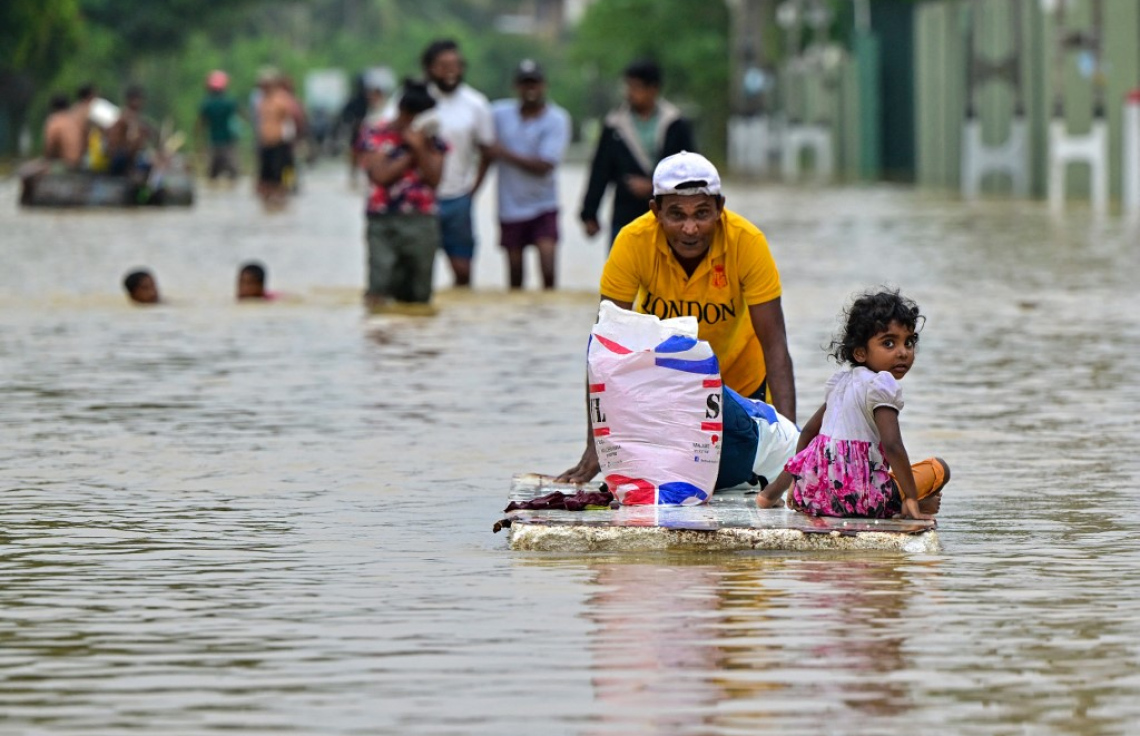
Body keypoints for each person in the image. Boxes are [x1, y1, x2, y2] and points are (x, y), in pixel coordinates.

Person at [558, 151, 795, 484]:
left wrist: (790, 449)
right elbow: (604, 350)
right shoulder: (631, 242)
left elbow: (775, 345)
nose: (690, 228)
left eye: (702, 213)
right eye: (676, 215)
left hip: (740, 390)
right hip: (665, 388)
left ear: (720, 208)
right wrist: (598, 446)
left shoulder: (747, 241)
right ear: (655, 211)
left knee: (727, 472)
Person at [759, 289, 949, 520]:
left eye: (908, 343)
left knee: (830, 456)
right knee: (939, 469)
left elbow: (808, 431)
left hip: (815, 496)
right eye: (889, 343)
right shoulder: (881, 385)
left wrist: (799, 480)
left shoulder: (840, 382)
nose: (903, 353)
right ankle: (909, 503)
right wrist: (910, 496)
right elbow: (892, 445)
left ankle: (768, 496)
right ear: (860, 353)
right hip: (861, 500)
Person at [580, 59, 695, 246]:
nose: (630, 93)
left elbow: (690, 169)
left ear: (653, 89)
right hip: (625, 214)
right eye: (628, 86)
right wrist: (590, 213)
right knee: (622, 262)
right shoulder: (615, 125)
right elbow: (600, 170)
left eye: (636, 87)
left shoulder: (675, 124)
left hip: (670, 216)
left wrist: (653, 185)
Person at [358, 79, 446, 309]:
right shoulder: (376, 133)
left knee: (419, 293)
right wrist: (410, 151)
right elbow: (380, 176)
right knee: (379, 286)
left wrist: (420, 147)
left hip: (422, 219)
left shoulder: (433, 139)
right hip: (382, 219)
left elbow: (434, 179)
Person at [420, 39, 495, 287]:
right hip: (421, 198)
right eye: (443, 66)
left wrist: (473, 190)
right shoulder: (415, 99)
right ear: (430, 68)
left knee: (463, 272)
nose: (451, 72)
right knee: (418, 271)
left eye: (456, 65)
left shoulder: (476, 104)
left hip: (458, 198)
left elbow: (487, 150)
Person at [490, 60, 571, 290]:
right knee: (515, 277)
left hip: (544, 205)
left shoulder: (557, 119)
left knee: (548, 272)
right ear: (516, 87)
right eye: (525, 83)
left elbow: (545, 164)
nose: (530, 89)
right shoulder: (499, 114)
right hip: (510, 207)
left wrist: (502, 153)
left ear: (544, 85)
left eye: (534, 83)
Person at [256, 73, 301, 208]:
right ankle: (268, 199)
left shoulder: (282, 100)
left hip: (280, 141)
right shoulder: (262, 101)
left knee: (280, 171)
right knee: (266, 173)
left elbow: (293, 119)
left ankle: (282, 195)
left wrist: (292, 137)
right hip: (266, 142)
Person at [197, 70, 240, 182]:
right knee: (233, 173)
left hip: (213, 141)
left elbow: (201, 124)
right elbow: (239, 118)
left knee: (212, 174)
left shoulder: (207, 104)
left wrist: (198, 142)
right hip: (228, 141)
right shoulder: (230, 102)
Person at [106, 85, 155, 177]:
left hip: (125, 158)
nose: (141, 103)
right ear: (131, 100)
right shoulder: (126, 116)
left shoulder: (134, 117)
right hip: (119, 158)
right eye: (139, 99)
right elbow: (132, 139)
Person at [42, 94, 82, 167]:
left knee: (27, 169)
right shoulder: (75, 119)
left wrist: (46, 161)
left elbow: (50, 146)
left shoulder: (55, 120)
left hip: (65, 164)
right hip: (79, 162)